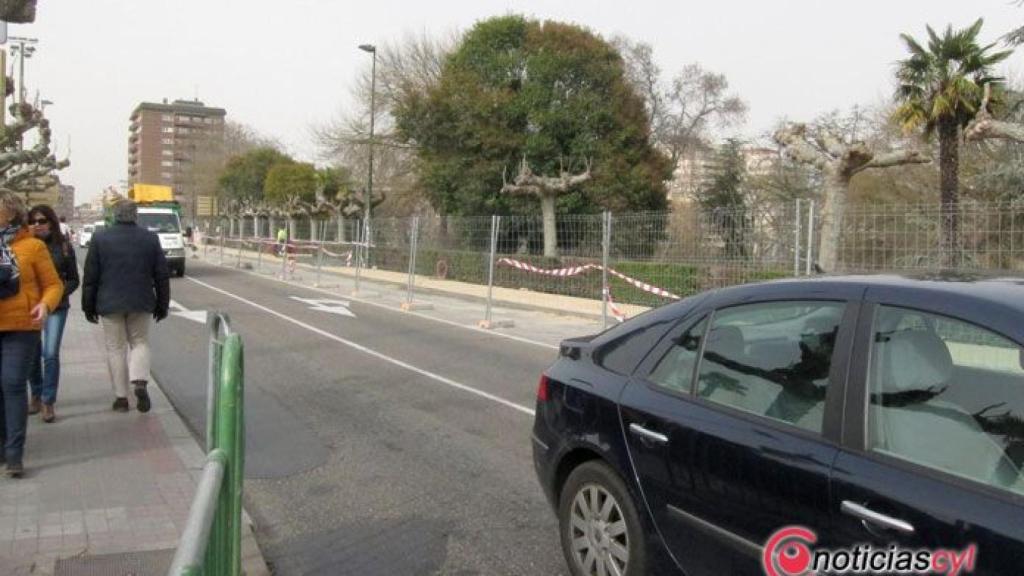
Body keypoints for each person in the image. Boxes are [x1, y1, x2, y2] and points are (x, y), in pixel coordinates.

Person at [81, 200, 170, 413]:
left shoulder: (100, 238)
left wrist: (88, 306)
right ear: (135, 215)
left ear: (114, 215)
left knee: (115, 348)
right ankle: (139, 381)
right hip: (141, 300)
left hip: (109, 302)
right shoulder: (150, 238)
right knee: (140, 342)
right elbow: (161, 275)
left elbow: (91, 276)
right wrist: (162, 304)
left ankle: (121, 398)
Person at [0, 190, 63, 478]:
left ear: (11, 213)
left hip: (21, 327)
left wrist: (45, 305)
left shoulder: (33, 247)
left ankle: (14, 453)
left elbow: (53, 285)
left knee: (12, 384)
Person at [27, 205, 80, 423]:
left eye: (42, 221)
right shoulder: (25, 246)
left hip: (56, 307)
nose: (37, 225)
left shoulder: (64, 246)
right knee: (32, 354)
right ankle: (36, 394)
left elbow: (74, 279)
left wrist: (56, 296)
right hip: (30, 308)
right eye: (33, 221)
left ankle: (48, 401)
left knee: (50, 353)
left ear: (51, 222)